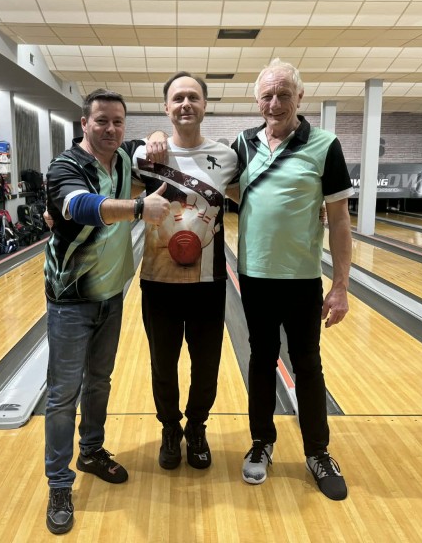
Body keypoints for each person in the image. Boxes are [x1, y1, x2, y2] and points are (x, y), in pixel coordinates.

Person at [43, 88, 170, 535]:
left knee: (99, 382)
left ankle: (91, 451)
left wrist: (156, 135)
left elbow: (151, 144)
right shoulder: (65, 166)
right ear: (84, 123)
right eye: (101, 121)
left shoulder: (124, 158)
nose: (111, 129)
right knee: (63, 394)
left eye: (118, 121)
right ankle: (59, 484)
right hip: (70, 300)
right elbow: (78, 206)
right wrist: (139, 207)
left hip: (111, 295)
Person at [231, 59, 353, 501]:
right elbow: (214, 182)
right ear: (257, 101)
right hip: (254, 277)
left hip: (302, 279)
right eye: (267, 95)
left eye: (284, 94)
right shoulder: (243, 144)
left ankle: (318, 451)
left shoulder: (325, 145)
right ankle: (261, 442)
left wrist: (340, 286)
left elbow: (340, 220)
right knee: (261, 360)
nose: (275, 103)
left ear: (300, 97)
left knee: (307, 364)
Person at [132, 72, 238, 471]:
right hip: (158, 282)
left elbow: (256, 194)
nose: (185, 104)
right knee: (163, 365)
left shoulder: (227, 157)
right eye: (178, 98)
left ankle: (196, 427)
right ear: (166, 107)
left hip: (208, 284)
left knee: (206, 365)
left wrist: (313, 208)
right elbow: (107, 175)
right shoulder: (145, 155)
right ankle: (169, 428)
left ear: (205, 105)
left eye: (193, 97)